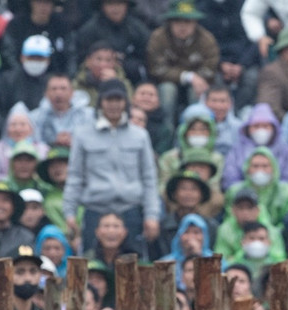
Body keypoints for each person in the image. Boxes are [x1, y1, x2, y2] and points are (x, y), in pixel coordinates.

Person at [63, 80, 160, 256]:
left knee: (132, 270)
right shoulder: (82, 134)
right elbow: (75, 176)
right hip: (95, 210)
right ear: (101, 102)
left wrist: (151, 216)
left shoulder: (140, 135)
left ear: (126, 102)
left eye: (119, 99)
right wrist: (69, 212)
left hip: (130, 210)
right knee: (91, 265)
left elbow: (149, 178)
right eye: (109, 99)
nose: (114, 105)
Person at [148, 0, 220, 119]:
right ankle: (167, 130)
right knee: (167, 90)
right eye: (177, 21)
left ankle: (196, 126)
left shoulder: (207, 40)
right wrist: (188, 77)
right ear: (169, 22)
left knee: (197, 90)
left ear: (195, 22)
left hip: (198, 84)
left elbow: (210, 68)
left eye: (187, 21)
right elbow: (156, 69)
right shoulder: (158, 38)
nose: (182, 26)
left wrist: (196, 79)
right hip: (166, 83)